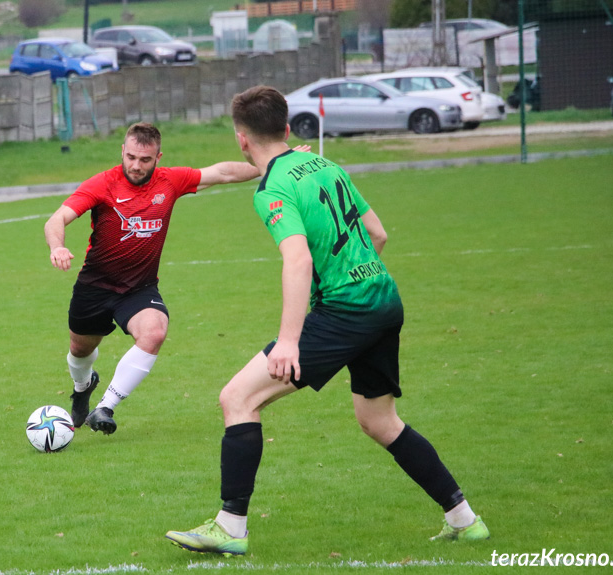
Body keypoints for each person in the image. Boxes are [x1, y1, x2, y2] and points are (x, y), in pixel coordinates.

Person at [165, 86, 490, 556]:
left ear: (241, 139)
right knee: (380, 422)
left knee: (237, 398)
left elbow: (295, 261)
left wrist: (290, 342)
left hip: (347, 312)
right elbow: (378, 232)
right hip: (383, 298)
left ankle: (230, 527)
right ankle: (465, 519)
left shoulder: (274, 187)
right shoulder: (326, 164)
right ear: (288, 128)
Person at [44, 122, 277, 435]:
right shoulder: (103, 184)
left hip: (139, 289)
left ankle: (106, 406)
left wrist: (270, 163)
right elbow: (57, 218)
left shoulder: (170, 181)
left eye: (145, 160)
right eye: (130, 157)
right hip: (95, 286)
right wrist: (57, 246)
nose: (136, 166)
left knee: (154, 332)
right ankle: (83, 386)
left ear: (158, 157)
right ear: (122, 152)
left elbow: (221, 173)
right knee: (80, 349)